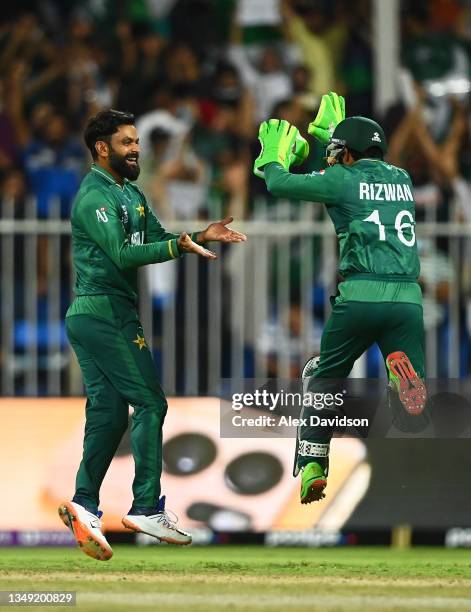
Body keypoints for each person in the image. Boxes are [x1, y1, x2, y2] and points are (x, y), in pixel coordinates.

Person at [59, 109, 246, 560]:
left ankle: (84, 504)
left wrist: (198, 234)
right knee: (149, 401)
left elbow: (157, 235)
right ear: (102, 148)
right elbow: (124, 254)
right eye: (127, 142)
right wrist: (177, 245)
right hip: (105, 313)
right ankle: (145, 507)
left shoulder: (131, 194)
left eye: (137, 141)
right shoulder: (94, 197)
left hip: (102, 314)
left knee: (108, 412)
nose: (136, 149)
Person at [253, 93, 426, 505]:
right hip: (407, 299)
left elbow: (279, 183)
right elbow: (347, 176)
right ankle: (403, 392)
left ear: (346, 154)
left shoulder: (342, 179)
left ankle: (314, 463)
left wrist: (275, 157)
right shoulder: (401, 178)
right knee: (408, 392)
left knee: (323, 375)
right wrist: (331, 136)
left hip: (360, 294)